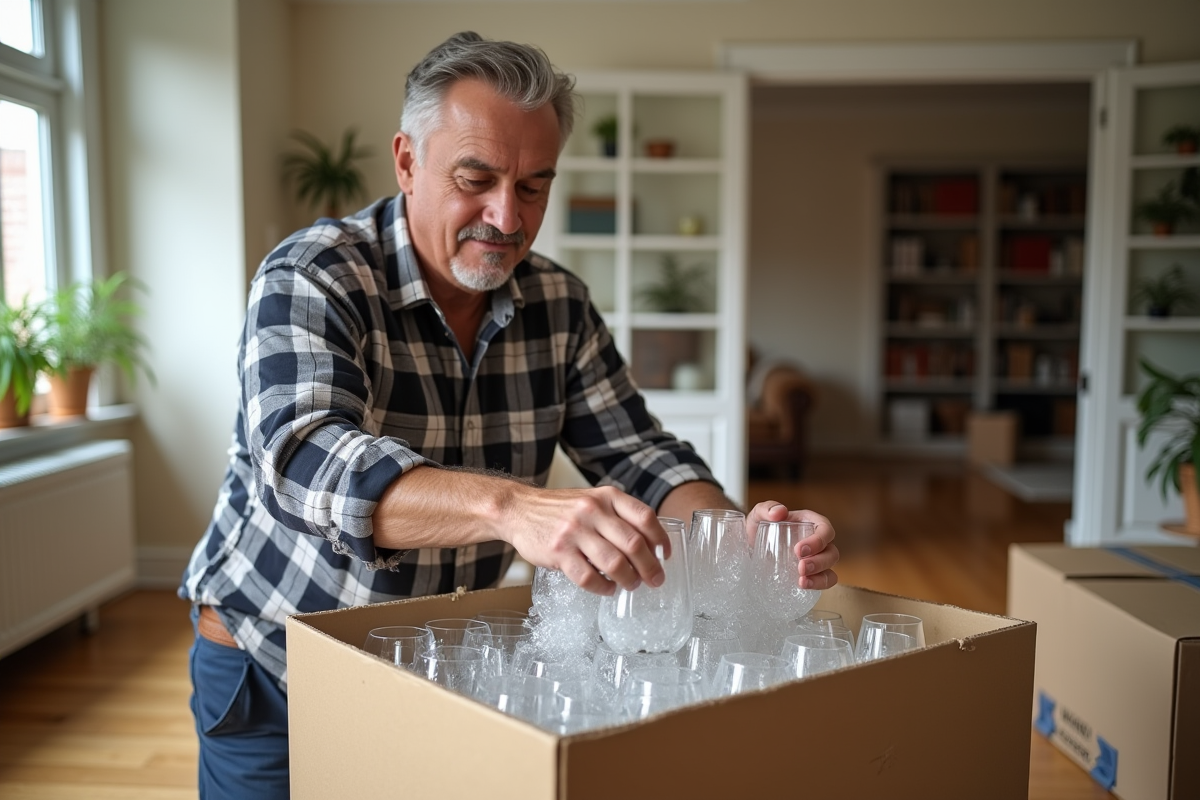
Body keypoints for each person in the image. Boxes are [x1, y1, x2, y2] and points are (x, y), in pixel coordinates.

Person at [179, 31, 839, 799]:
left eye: (533, 186)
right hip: (274, 665)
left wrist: (739, 537)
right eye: (477, 178)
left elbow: (640, 456)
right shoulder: (314, 274)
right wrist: (512, 508)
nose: (506, 215)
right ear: (406, 161)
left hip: (437, 668)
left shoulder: (558, 302)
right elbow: (305, 460)